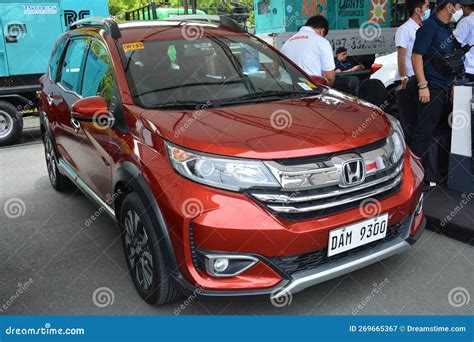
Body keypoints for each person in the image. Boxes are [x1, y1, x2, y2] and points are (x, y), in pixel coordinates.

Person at [411, 0, 471, 189]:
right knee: (424, 133)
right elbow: (416, 55)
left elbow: (451, 59)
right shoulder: (429, 28)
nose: (461, 11)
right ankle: (411, 175)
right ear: (449, 6)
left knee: (440, 132)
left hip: (445, 88)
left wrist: (453, 84)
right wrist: (422, 85)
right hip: (431, 88)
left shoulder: (446, 29)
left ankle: (430, 174)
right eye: (460, 7)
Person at [395, 0, 430, 145]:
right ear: (418, 10)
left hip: (420, 79)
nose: (429, 9)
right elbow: (401, 57)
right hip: (408, 80)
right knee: (409, 120)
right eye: (427, 6)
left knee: (419, 119)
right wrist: (404, 79)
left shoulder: (422, 28)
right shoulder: (405, 29)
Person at [281, 15, 336, 86]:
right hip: (310, 91)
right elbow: (329, 77)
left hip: (286, 89)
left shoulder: (286, 43)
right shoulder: (322, 42)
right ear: (322, 31)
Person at [454, 1, 474, 81]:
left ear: (467, 8)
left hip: (468, 67)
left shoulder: (466, 21)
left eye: (462, 8)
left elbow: (455, 42)